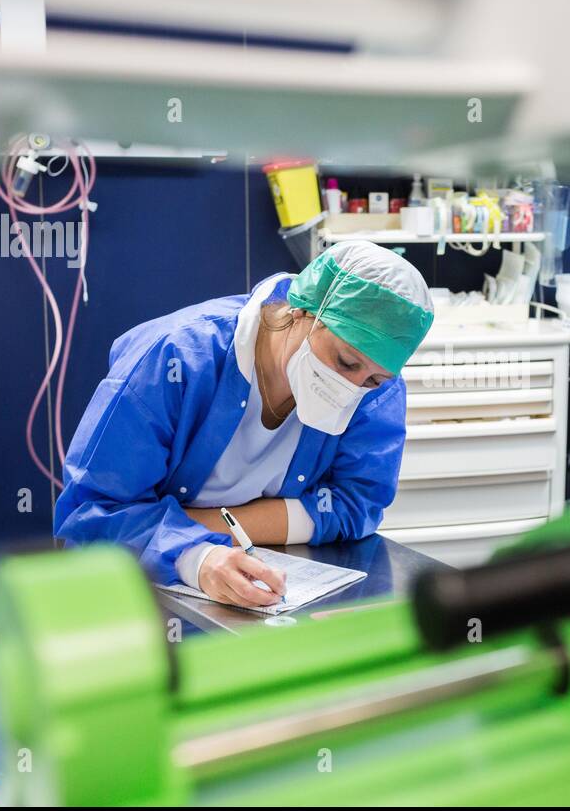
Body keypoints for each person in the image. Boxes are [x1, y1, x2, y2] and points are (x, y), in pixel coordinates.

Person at [54, 241, 434, 607]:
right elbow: (91, 514)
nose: (351, 389)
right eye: (345, 363)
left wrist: (193, 524)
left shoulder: (377, 390)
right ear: (303, 311)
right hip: (141, 599)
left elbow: (358, 503)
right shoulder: (177, 359)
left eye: (372, 379)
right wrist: (194, 557)